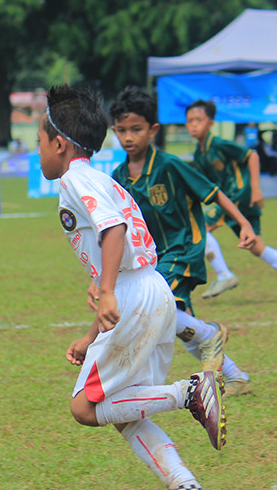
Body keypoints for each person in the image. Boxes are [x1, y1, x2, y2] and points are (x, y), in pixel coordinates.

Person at [40, 84, 226, 490]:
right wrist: (91, 335)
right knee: (124, 408)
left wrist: (105, 291)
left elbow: (113, 230)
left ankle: (191, 391)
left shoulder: (75, 180)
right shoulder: (97, 178)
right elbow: (117, 242)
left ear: (60, 144)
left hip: (134, 294)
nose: (40, 152)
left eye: (40, 143)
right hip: (151, 291)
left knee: (85, 408)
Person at [105, 87, 258, 398]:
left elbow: (212, 193)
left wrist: (243, 223)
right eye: (122, 131)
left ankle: (211, 334)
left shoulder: (169, 165)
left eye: (136, 129)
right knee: (176, 326)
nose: (129, 137)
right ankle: (236, 376)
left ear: (153, 130)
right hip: (154, 259)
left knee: (156, 309)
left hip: (184, 247)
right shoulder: (119, 176)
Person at [186, 100, 277, 301]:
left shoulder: (219, 144)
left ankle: (224, 275)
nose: (194, 125)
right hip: (232, 199)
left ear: (211, 122)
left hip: (237, 196)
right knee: (256, 246)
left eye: (199, 120)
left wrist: (256, 189)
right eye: (189, 121)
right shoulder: (200, 152)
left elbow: (252, 156)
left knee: (199, 227)